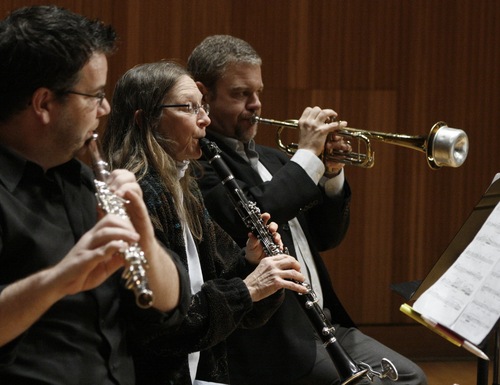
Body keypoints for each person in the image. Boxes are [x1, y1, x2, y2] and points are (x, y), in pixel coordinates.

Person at [187, 35, 428, 385]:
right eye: (240, 94)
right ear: (203, 96)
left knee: (411, 377)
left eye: (258, 92)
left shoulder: (275, 159)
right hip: (275, 343)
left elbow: (327, 236)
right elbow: (252, 214)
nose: (255, 104)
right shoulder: (199, 168)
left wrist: (330, 173)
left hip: (326, 323)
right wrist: (307, 159)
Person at [0, 6, 190, 384]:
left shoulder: (85, 181)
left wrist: (146, 241)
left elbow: (171, 305)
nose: (104, 109)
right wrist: (58, 279)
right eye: (95, 95)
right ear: (44, 103)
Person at [102, 60, 308, 385]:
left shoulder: (186, 189)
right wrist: (249, 288)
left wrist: (251, 262)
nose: (206, 120)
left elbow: (225, 293)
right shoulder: (138, 197)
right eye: (188, 108)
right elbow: (164, 329)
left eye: (203, 106)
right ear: (145, 120)